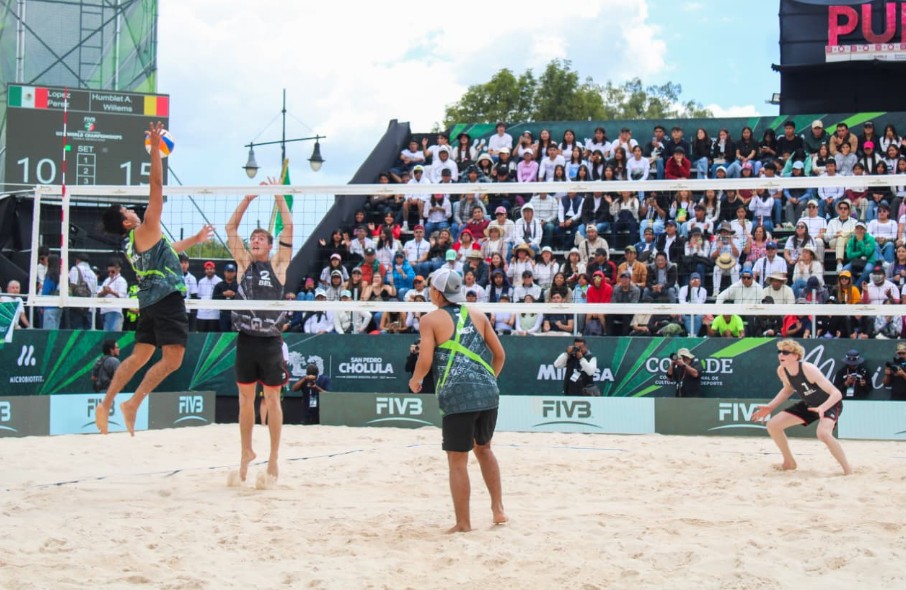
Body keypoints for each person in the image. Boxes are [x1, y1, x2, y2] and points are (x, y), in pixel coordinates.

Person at [96, 122, 213, 436]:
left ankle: (106, 404)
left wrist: (196, 238)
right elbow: (157, 187)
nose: (133, 211)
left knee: (140, 355)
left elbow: (168, 251)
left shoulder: (133, 245)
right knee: (173, 360)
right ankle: (133, 403)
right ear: (126, 220)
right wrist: (157, 151)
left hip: (148, 303)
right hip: (166, 300)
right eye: (127, 210)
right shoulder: (145, 226)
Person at [408, 268, 506, 533]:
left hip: (458, 395)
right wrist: (490, 382)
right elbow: (500, 355)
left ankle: (463, 523)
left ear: (437, 292)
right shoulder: (478, 315)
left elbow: (425, 359)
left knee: (457, 459)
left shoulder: (430, 319)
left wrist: (416, 379)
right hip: (488, 393)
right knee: (484, 449)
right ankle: (498, 509)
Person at [225, 183, 294, 484]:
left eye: (260, 238)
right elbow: (230, 227)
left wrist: (278, 193)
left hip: (270, 342)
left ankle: (274, 458)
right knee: (244, 401)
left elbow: (289, 225)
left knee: (274, 399)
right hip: (246, 340)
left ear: (269, 245)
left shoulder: (278, 265)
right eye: (252, 238)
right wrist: (248, 198)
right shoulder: (243, 264)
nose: (254, 241)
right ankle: (246, 452)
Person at [752, 339, 852, 475]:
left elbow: (836, 394)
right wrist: (770, 406)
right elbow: (788, 389)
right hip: (810, 404)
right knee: (773, 425)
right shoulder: (782, 370)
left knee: (823, 434)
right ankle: (789, 462)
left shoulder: (808, 368)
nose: (781, 355)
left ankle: (848, 470)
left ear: (796, 356)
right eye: (780, 352)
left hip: (830, 403)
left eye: (786, 352)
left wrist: (822, 407)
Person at [97, 259, 128, 332]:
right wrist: (104, 292)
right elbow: (98, 293)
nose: (110, 274)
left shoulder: (121, 281)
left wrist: (111, 292)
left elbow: (122, 296)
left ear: (118, 269)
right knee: (106, 334)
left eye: (113, 272)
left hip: (115, 310)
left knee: (112, 333)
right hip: (104, 310)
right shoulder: (107, 280)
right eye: (109, 272)